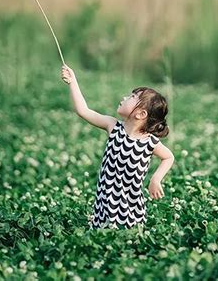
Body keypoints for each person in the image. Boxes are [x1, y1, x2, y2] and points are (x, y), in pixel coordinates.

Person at [61, 63, 175, 229]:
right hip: (105, 203)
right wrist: (73, 82)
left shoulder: (149, 142)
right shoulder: (113, 126)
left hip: (130, 208)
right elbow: (83, 110)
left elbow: (168, 157)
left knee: (127, 240)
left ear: (141, 114)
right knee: (102, 236)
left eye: (131, 98)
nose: (124, 98)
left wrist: (156, 178)